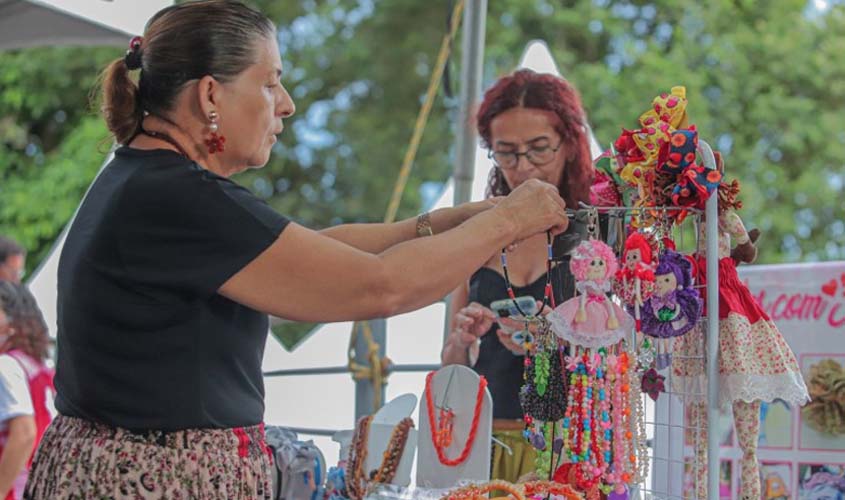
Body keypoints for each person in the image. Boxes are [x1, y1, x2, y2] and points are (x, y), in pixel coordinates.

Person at [23, 2, 569, 499]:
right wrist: (509, 219)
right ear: (210, 94)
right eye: (270, 83)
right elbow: (379, 285)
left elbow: (316, 254)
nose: (285, 105)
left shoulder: (152, 180)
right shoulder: (177, 196)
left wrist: (453, 221)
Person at [440, 69, 594, 483]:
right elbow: (453, 365)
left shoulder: (598, 236)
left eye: (539, 149)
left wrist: (559, 330)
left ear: (569, 144)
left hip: (571, 444)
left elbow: (626, 352)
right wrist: (461, 342)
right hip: (484, 444)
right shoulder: (478, 235)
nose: (523, 167)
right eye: (506, 153)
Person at [0, 283, 53, 500]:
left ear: (12, 321)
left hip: (19, 489)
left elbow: (24, 433)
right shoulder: (39, 364)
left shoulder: (7, 364)